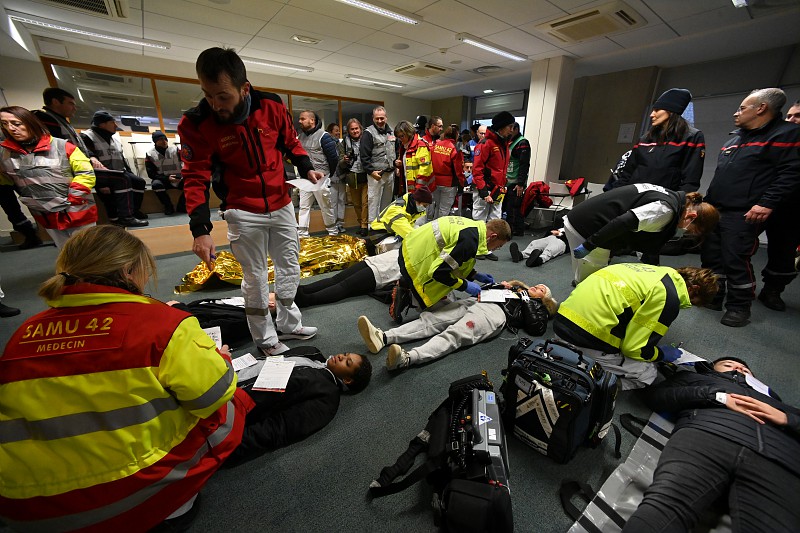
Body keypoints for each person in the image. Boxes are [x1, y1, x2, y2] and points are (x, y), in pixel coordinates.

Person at [0, 225, 253, 531]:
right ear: (127, 270)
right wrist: (221, 359)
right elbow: (212, 397)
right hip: (124, 501)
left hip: (23, 510)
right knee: (229, 402)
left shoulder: (23, 333)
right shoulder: (161, 323)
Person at [178, 47, 323, 356]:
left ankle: (288, 323)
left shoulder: (270, 105)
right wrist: (200, 229)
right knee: (255, 278)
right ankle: (266, 339)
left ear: (244, 89)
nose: (215, 104)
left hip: (281, 202)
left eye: (222, 96)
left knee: (289, 268)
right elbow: (195, 176)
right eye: (207, 95)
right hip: (242, 210)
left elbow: (290, 142)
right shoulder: (196, 123)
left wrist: (307, 167)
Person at [623, 357, 800, 532]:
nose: (738, 368)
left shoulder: (777, 404)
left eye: (745, 369)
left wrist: (787, 418)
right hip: (709, 433)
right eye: (728, 365)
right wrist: (717, 397)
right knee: (666, 506)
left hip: (777, 455)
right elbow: (656, 396)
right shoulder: (696, 380)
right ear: (712, 370)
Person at [701, 88, 800, 327]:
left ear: (761, 108)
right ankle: (715, 295)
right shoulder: (734, 139)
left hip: (744, 211)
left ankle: (739, 306)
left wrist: (766, 203)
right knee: (712, 257)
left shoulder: (786, 135)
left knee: (736, 258)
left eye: (742, 108)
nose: (736, 113)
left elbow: (791, 173)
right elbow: (721, 176)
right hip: (717, 208)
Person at [553, 263, 718, 389]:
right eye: (694, 303)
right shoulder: (669, 296)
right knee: (647, 374)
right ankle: (597, 383)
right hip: (584, 338)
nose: (689, 306)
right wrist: (661, 354)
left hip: (561, 322)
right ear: (693, 289)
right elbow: (633, 349)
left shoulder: (650, 270)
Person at [224, 346, 372, 467]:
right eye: (345, 354)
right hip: (225, 370)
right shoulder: (312, 352)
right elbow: (266, 360)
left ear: (347, 380)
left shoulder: (327, 398)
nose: (341, 356)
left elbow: (279, 428)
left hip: (227, 404)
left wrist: (227, 446)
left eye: (347, 363)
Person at [359, 281, 557, 371]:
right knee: (431, 320)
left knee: (452, 335)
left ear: (544, 299)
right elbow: (482, 290)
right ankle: (384, 337)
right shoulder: (514, 288)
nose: (537, 287)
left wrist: (526, 301)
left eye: (542, 290)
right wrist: (498, 286)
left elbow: (536, 328)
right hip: (476, 301)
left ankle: (407, 358)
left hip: (495, 315)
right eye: (538, 285)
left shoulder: (537, 307)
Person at [565, 184, 719, 284]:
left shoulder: (673, 197)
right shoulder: (665, 211)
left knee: (587, 275)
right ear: (691, 217)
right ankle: (577, 321)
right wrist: (589, 245)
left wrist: (655, 270)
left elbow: (648, 241)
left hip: (586, 217)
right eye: (691, 230)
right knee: (592, 282)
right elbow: (622, 222)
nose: (686, 231)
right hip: (588, 226)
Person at [0, 106, 97, 248]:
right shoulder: (4, 154)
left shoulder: (63, 146)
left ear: (30, 122)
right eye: (4, 124)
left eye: (16, 123)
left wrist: (71, 199)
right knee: (65, 252)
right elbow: (6, 180)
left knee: (89, 251)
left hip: (76, 211)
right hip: (45, 214)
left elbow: (86, 174)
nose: (11, 128)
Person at [391, 216, 511, 322]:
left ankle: (405, 284)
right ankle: (406, 292)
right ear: (493, 236)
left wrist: (474, 275)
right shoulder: (469, 242)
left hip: (412, 247)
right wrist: (465, 286)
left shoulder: (474, 227)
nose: (496, 249)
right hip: (413, 261)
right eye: (499, 246)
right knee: (443, 309)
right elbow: (438, 272)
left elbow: (456, 261)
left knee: (449, 292)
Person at [611, 88, 705, 192]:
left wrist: (677, 203)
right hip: (634, 197)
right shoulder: (644, 139)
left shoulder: (692, 137)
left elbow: (690, 181)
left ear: (671, 111)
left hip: (663, 202)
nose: (652, 114)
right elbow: (627, 174)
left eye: (657, 110)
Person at [758, 98, 800, 312]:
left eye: (798, 116)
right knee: (734, 244)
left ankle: (772, 290)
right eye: (789, 115)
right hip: (760, 201)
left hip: (792, 209)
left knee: (783, 253)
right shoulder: (775, 139)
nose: (791, 120)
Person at [81, 111, 148, 227]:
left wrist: (131, 173)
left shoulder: (114, 140)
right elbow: (87, 157)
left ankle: (133, 211)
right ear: (102, 124)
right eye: (112, 122)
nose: (116, 125)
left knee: (139, 182)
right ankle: (125, 217)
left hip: (118, 172)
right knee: (122, 182)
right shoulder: (87, 137)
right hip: (100, 175)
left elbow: (121, 159)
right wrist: (101, 184)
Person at [292, 249, 402, 308]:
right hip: (382, 259)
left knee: (344, 286)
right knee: (335, 279)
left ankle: (305, 300)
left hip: (387, 270)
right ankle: (302, 290)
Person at [472, 112, 514, 260]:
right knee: (479, 220)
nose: (512, 129)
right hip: (485, 189)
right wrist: (484, 192)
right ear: (501, 127)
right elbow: (477, 170)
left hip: (498, 189)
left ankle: (487, 249)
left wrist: (504, 184)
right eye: (510, 126)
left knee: (495, 220)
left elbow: (501, 168)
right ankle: (477, 248)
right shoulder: (485, 144)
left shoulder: (504, 144)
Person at [32, 87, 103, 170]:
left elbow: (77, 144)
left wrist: (91, 156)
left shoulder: (62, 121)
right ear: (55, 102)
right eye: (71, 104)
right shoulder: (45, 120)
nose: (74, 108)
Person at [297, 110, 338, 237]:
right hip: (305, 178)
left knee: (326, 207)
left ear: (312, 121)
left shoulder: (324, 136)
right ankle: (302, 234)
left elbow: (333, 158)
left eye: (303, 119)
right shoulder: (300, 137)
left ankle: (333, 233)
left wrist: (327, 175)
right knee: (303, 207)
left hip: (321, 178)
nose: (300, 121)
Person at [361, 106, 397, 227]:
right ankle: (372, 230)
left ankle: (383, 229)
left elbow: (395, 151)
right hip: (375, 175)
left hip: (390, 173)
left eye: (382, 118)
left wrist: (395, 167)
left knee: (387, 204)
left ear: (386, 118)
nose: (380, 121)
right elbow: (364, 156)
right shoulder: (368, 133)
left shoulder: (392, 132)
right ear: (373, 118)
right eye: (377, 118)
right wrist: (371, 172)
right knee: (373, 203)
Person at [369, 187, 431, 252]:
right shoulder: (396, 211)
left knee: (417, 229)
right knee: (406, 248)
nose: (424, 208)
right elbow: (410, 234)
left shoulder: (411, 205)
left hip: (393, 231)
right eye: (425, 205)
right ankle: (380, 250)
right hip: (379, 235)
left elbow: (409, 226)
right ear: (418, 201)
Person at [338, 118, 369, 236]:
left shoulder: (367, 139)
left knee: (365, 202)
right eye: (352, 129)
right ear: (348, 131)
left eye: (356, 128)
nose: (355, 131)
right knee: (356, 203)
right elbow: (340, 162)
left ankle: (365, 225)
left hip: (366, 174)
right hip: (352, 175)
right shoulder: (344, 143)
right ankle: (361, 224)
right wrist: (344, 160)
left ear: (360, 128)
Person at [145, 130, 185, 215]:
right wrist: (167, 178)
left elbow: (185, 163)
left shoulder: (175, 149)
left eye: (165, 139)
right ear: (155, 142)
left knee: (191, 183)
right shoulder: (150, 154)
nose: (164, 141)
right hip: (164, 180)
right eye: (160, 139)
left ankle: (182, 206)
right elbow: (151, 174)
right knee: (156, 185)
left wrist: (181, 176)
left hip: (179, 178)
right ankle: (168, 206)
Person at [430, 124, 465, 220]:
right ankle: (440, 233)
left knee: (437, 207)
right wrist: (462, 183)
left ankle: (432, 230)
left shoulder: (435, 145)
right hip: (449, 184)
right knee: (444, 211)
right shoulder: (455, 149)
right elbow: (459, 170)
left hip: (435, 181)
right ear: (456, 136)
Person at [502, 122, 531, 236]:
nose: (508, 131)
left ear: (516, 129)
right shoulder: (509, 142)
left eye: (510, 128)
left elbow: (524, 165)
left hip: (515, 183)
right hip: (507, 181)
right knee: (506, 208)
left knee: (513, 209)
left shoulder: (522, 143)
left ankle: (513, 231)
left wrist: (520, 184)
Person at [394, 120, 433, 195]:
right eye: (398, 137)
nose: (400, 139)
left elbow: (425, 169)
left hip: (421, 190)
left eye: (402, 136)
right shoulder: (404, 146)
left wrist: (419, 189)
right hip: (409, 188)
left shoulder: (420, 145)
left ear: (409, 133)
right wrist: (399, 164)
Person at [326, 122, 346, 233]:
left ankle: (340, 224)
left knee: (341, 201)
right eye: (336, 130)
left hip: (342, 176)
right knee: (332, 202)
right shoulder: (327, 144)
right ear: (330, 132)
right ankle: (333, 225)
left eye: (339, 130)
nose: (338, 132)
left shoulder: (341, 144)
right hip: (331, 177)